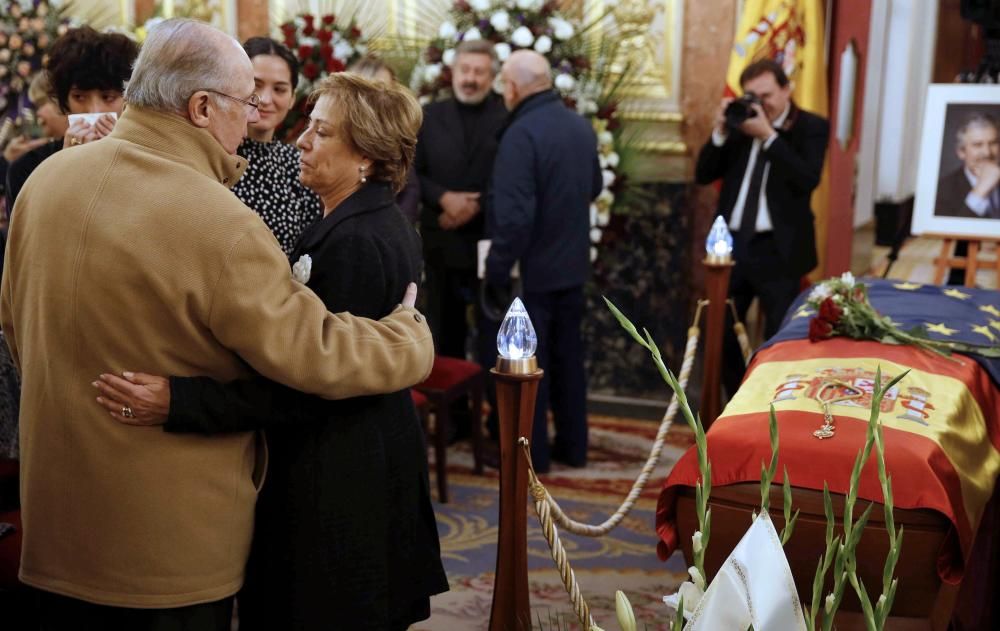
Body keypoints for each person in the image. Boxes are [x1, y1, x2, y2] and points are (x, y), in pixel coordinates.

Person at [0, 18, 433, 630]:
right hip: (164, 546)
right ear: (202, 107)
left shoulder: (43, 182)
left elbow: (15, 329)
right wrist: (409, 338)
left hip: (54, 526)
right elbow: (314, 353)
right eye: (245, 103)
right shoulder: (217, 219)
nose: (257, 118)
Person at [94, 71, 448, 631]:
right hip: (344, 462)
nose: (301, 139)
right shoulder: (352, 219)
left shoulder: (359, 239)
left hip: (340, 482)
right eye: (308, 125)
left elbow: (311, 386)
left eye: (323, 132)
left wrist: (183, 403)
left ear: (369, 157)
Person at [484, 50, 602, 474]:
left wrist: (496, 270)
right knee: (569, 359)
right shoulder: (580, 125)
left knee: (529, 367)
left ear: (513, 86)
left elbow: (514, 219)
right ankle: (574, 446)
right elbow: (596, 185)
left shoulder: (521, 134)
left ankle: (532, 456)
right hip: (571, 266)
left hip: (531, 272)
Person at [695, 58, 829, 399]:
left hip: (779, 250)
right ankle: (738, 400)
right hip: (734, 248)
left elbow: (806, 178)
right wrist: (721, 133)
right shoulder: (740, 126)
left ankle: (769, 405)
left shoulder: (811, 127)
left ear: (787, 89)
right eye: (752, 95)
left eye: (767, 94)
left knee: (778, 338)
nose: (761, 103)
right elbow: (703, 174)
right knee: (720, 333)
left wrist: (769, 137)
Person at [416, 39, 507, 360]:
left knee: (495, 341)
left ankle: (497, 410)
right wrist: (443, 197)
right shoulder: (428, 115)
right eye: (465, 70)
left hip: (490, 245)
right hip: (442, 242)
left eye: (479, 72)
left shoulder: (507, 116)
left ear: (493, 76)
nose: (471, 78)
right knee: (444, 337)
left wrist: (475, 204)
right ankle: (454, 412)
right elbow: (413, 172)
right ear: (453, 71)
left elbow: (511, 177)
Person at [5, 26, 137, 212]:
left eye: (108, 97)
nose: (94, 110)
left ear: (128, 100)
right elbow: (27, 235)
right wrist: (66, 167)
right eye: (79, 97)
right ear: (63, 100)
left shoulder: (147, 163)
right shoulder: (28, 168)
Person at [232, 37, 323, 254]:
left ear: (292, 98)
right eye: (256, 85)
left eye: (279, 89)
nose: (264, 99)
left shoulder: (299, 163)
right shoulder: (215, 156)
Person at [348, 54, 421, 224]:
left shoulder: (398, 137)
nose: (378, 99)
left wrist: (393, 229)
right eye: (369, 90)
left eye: (385, 89)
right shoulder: (333, 135)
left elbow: (410, 190)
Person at [936, 113, 1000, 219]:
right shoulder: (941, 191)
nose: (987, 153)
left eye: (993, 143)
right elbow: (950, 232)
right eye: (977, 145)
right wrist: (980, 191)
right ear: (961, 152)